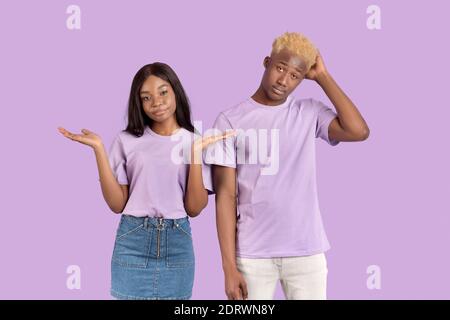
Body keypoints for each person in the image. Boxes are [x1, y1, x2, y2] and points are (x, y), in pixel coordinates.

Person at [208, 32, 370, 300]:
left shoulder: (308, 113)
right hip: (252, 255)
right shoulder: (230, 120)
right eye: (280, 68)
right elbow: (225, 196)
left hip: (306, 253)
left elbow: (358, 131)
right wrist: (228, 268)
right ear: (266, 62)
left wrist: (323, 77)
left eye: (295, 75)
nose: (284, 80)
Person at [58, 62, 233, 300]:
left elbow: (194, 208)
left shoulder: (195, 141)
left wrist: (194, 154)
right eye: (146, 97)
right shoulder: (126, 140)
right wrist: (98, 149)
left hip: (177, 243)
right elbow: (117, 204)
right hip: (132, 241)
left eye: (163, 92)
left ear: (175, 92)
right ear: (139, 103)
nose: (157, 102)